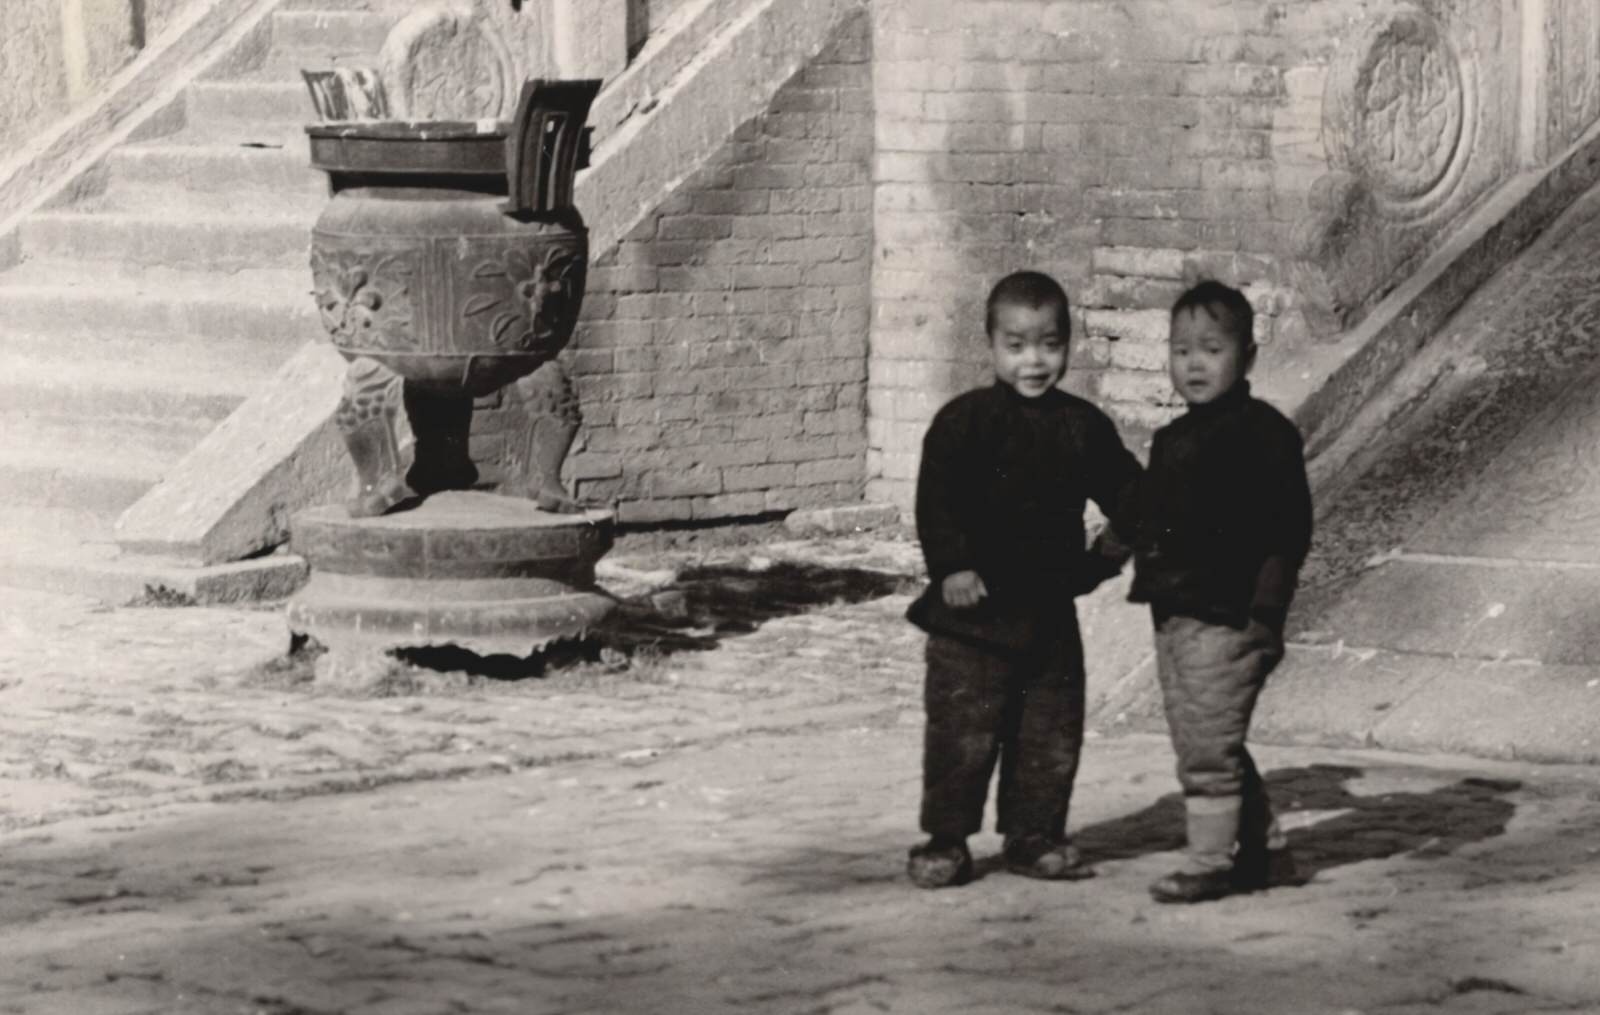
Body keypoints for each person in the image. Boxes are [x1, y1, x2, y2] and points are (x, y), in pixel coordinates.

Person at [905, 270, 1142, 889]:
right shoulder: (963, 423)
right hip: (972, 619)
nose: (1034, 361)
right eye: (1016, 345)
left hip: (1047, 616)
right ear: (991, 345)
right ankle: (946, 840)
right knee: (963, 734)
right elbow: (938, 502)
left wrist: (1124, 541)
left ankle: (1033, 835)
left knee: (1049, 732)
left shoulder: (1081, 425)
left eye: (1049, 344)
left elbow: (1128, 490)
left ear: (1067, 344)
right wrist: (952, 566)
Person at [1126, 279, 1314, 903]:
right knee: (1209, 738)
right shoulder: (1172, 441)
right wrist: (1101, 556)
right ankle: (1269, 852)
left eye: (1211, 348)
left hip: (1231, 617)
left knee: (1206, 748)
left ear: (1248, 358)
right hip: (1175, 616)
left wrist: (1266, 610)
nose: (1194, 363)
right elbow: (1145, 515)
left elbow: (1288, 530)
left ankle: (1210, 861)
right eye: (1181, 351)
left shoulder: (1265, 437)